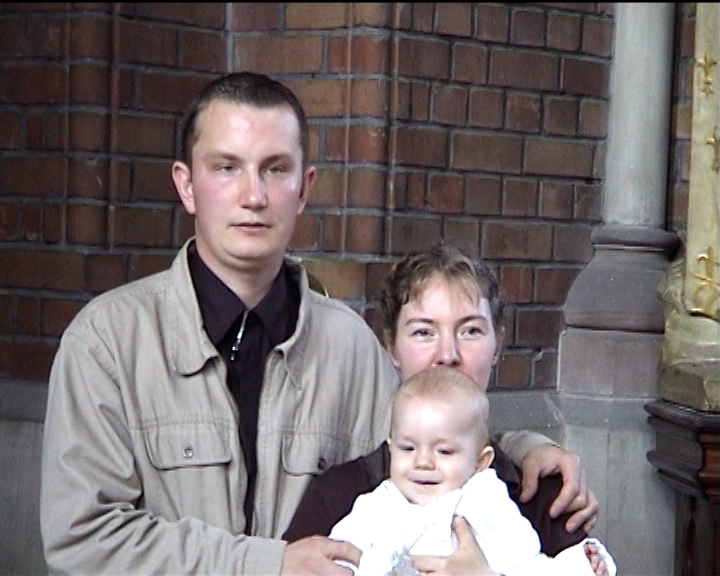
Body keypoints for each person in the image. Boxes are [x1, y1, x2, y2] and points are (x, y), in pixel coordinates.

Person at [39, 71, 593, 575]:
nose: (254, 196)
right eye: (227, 167)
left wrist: (525, 449)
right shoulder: (108, 342)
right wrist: (268, 564)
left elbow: (428, 443)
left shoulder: (349, 348)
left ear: (304, 187)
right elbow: (82, 537)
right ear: (186, 185)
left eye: (275, 169)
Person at [284, 243, 600, 567]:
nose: (448, 355)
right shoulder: (337, 495)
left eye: (471, 331)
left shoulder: (541, 496)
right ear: (391, 346)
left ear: (498, 346)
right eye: (424, 332)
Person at [328, 366, 616, 576]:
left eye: (444, 451)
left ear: (481, 461)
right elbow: (338, 557)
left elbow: (525, 564)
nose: (423, 462)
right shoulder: (377, 505)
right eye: (407, 448)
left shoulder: (484, 500)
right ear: (391, 449)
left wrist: (576, 567)